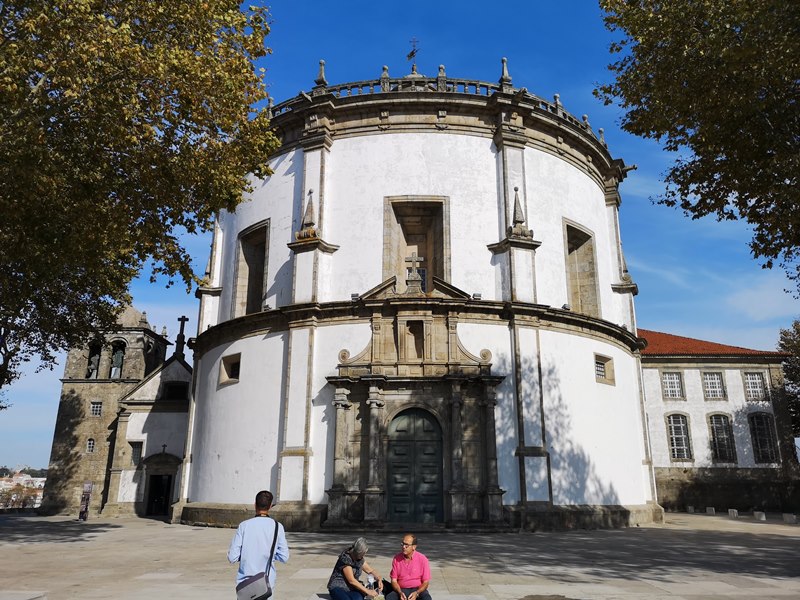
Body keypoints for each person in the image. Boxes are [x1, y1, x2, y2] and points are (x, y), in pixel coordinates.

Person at [227, 490, 290, 596]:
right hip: (266, 584)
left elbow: (232, 557)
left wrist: (247, 553)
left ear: (255, 505)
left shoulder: (244, 526)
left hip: (245, 584)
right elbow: (284, 557)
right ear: (270, 506)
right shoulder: (277, 526)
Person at [385, 533, 431, 600]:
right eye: (402, 544)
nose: (403, 547)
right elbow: (394, 581)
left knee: (427, 598)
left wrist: (417, 593)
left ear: (414, 547)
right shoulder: (396, 559)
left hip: (418, 589)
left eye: (406, 545)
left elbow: (426, 582)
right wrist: (400, 592)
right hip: (401, 589)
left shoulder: (422, 559)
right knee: (389, 597)